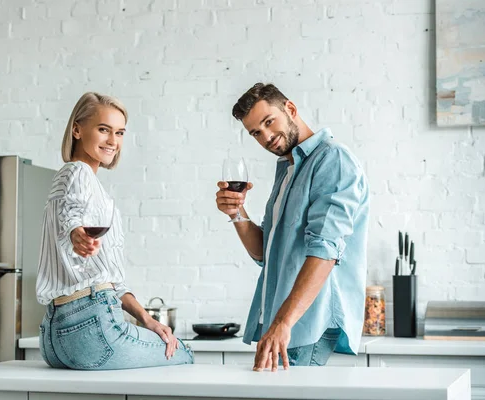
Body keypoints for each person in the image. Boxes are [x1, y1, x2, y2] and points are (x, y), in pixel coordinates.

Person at [215, 83, 370, 371]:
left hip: (305, 322)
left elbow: (326, 251)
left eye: (268, 122)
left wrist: (282, 323)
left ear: (291, 109)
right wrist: (237, 213)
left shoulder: (331, 159)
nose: (266, 137)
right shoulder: (288, 170)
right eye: (256, 133)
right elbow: (266, 253)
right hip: (285, 321)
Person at [36, 92, 194, 370]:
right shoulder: (78, 173)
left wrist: (147, 319)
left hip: (54, 338)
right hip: (90, 329)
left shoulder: (78, 180)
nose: (113, 141)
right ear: (77, 129)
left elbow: (111, 281)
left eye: (119, 132)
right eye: (103, 130)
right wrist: (77, 234)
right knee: (184, 353)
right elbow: (71, 216)